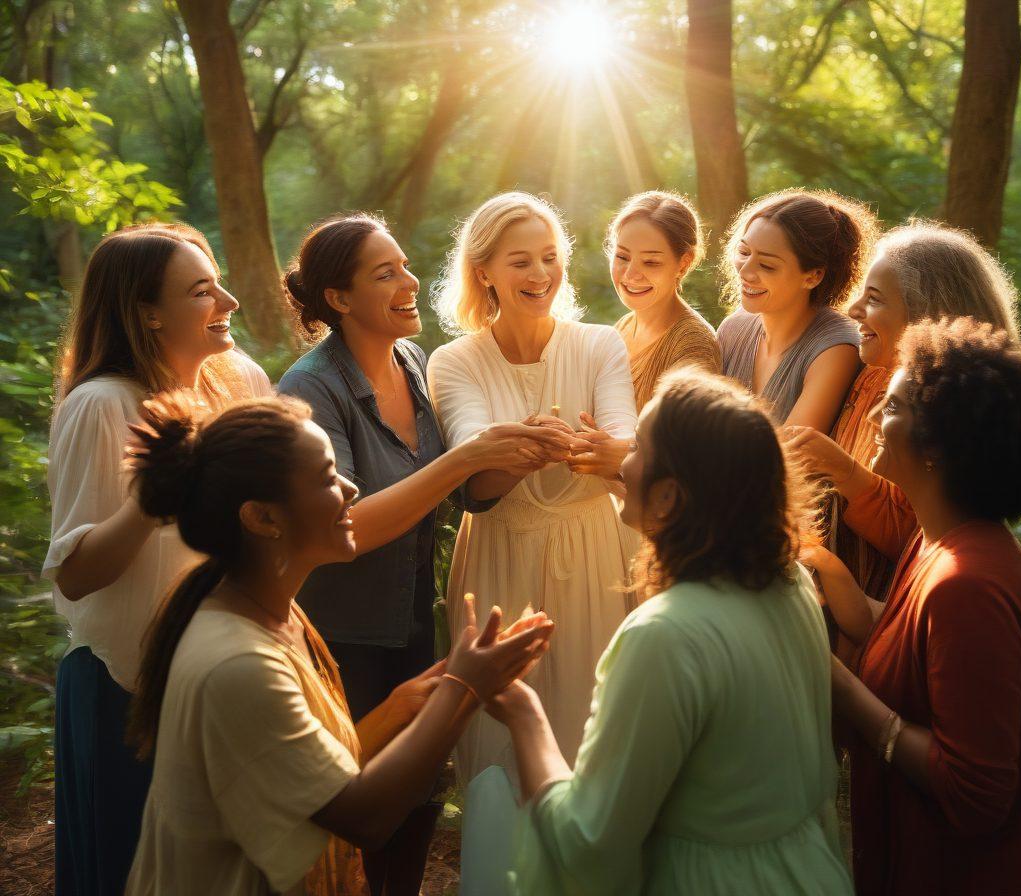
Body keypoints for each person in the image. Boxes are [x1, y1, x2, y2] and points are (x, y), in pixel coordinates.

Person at [123, 392, 554, 896]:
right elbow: (362, 816)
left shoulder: (274, 613)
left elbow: (318, 782)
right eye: (328, 477)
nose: (351, 488)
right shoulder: (238, 661)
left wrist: (407, 706)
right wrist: (464, 688)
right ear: (262, 518)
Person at [460, 368, 854, 896]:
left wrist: (523, 712)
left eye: (636, 447)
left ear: (668, 497)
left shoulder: (664, 636)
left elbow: (588, 846)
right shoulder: (790, 586)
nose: (622, 462)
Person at [278, 213, 570, 894]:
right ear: (339, 300)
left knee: (415, 800)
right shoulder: (310, 389)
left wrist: (516, 454)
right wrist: (467, 456)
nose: (410, 282)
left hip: (410, 622)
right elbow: (340, 529)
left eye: (406, 266)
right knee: (347, 812)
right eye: (386, 274)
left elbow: (466, 489)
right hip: (341, 635)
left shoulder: (412, 363)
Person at [43, 222, 271, 896]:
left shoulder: (236, 386)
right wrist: (150, 501)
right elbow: (78, 573)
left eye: (220, 283)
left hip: (224, 683)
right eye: (202, 291)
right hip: (127, 695)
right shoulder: (102, 404)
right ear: (146, 313)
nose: (228, 301)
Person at [806, 318, 1021, 895]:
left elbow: (976, 794)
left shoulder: (968, 582)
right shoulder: (943, 538)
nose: (874, 417)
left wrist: (837, 685)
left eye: (893, 405)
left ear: (937, 446)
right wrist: (831, 575)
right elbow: (917, 647)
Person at [427, 191, 639, 781]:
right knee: (498, 744)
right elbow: (477, 464)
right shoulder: (453, 361)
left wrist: (600, 450)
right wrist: (525, 450)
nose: (540, 273)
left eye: (549, 257)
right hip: (500, 558)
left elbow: (621, 441)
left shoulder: (600, 344)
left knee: (592, 731)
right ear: (484, 272)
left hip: (598, 552)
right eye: (520, 261)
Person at [784, 221, 1021, 612]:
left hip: (899, 609)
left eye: (874, 299)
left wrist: (844, 472)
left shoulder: (953, 410)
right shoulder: (871, 373)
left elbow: (923, 540)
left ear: (925, 315)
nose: (852, 309)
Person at [717, 188, 877, 431]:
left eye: (767, 265)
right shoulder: (733, 328)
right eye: (743, 252)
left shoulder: (836, 349)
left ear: (813, 276)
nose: (744, 271)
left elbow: (792, 455)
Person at [606, 191, 721, 407]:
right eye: (622, 257)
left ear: (683, 264)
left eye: (650, 262)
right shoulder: (623, 327)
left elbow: (682, 435)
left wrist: (623, 443)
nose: (630, 274)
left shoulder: (693, 343)